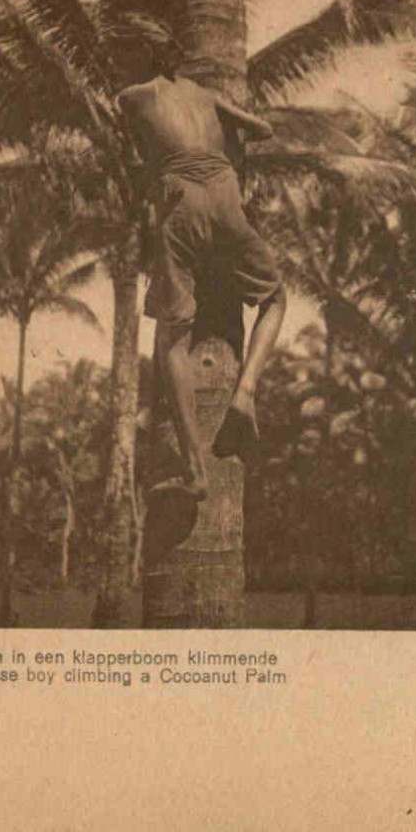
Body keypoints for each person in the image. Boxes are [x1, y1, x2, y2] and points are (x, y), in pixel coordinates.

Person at [118, 41, 286, 501]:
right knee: (275, 298)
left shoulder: (133, 96)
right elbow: (264, 129)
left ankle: (194, 470)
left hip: (181, 200)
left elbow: (137, 160)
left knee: (172, 334)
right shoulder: (207, 96)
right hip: (226, 195)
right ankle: (246, 392)